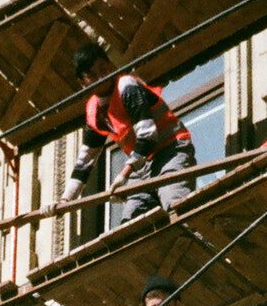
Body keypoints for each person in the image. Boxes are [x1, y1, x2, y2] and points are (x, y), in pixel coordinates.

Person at [58, 43, 196, 223]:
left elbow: (147, 136)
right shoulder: (94, 110)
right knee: (130, 226)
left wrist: (124, 175)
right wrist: (65, 200)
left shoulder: (127, 86)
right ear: (83, 83)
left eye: (103, 69)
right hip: (142, 166)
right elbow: (85, 161)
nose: (101, 77)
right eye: (92, 75)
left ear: (110, 66)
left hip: (170, 150)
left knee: (177, 208)